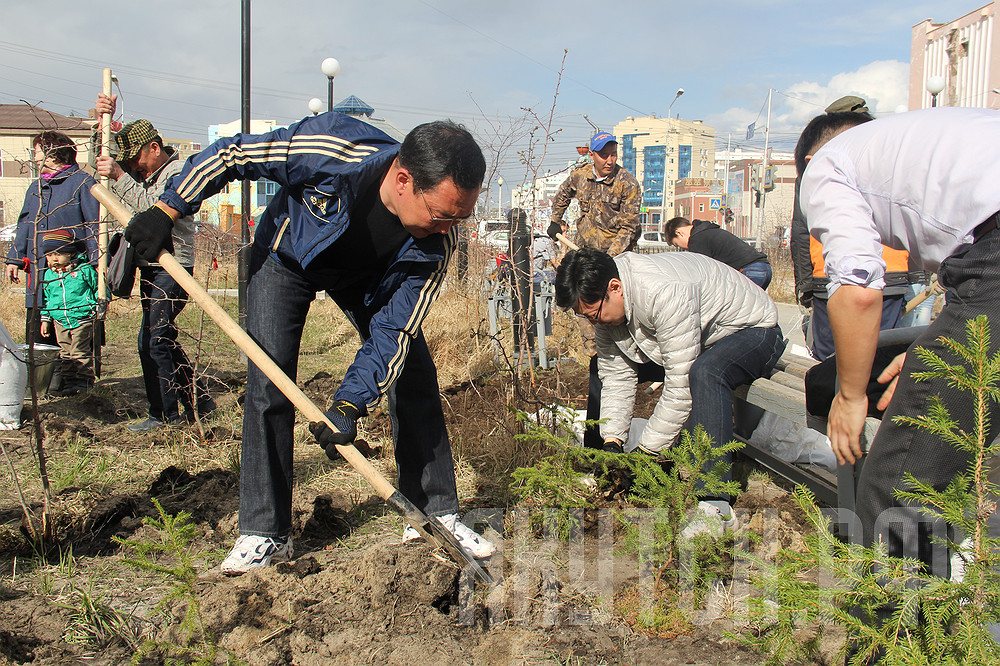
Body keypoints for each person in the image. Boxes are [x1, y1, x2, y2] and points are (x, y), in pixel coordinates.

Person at [121, 112, 495, 574]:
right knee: (268, 381)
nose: (448, 228)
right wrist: (169, 209)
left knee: (413, 370)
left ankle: (433, 515)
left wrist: (350, 405)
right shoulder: (332, 149)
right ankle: (265, 533)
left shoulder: (435, 246)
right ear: (403, 180)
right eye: (442, 215)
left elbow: (392, 332)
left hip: (368, 278)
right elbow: (233, 154)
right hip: (287, 258)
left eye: (460, 217)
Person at [796, 107, 1000, 660]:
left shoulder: (828, 166)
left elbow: (857, 286)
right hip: (983, 273)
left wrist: (850, 395)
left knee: (896, 490)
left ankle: (897, 651)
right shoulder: (948, 137)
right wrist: (935, 344)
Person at [553, 248, 785, 513]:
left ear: (615, 287)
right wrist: (612, 441)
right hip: (699, 340)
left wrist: (647, 451)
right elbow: (617, 374)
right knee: (600, 367)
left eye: (593, 315)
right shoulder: (609, 299)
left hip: (753, 331)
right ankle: (602, 467)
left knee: (707, 373)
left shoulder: (664, 291)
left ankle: (713, 500)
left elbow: (681, 381)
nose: (594, 323)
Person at [95, 94, 215, 431]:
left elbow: (153, 208)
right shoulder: (141, 171)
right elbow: (104, 166)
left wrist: (120, 175)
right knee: (160, 338)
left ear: (153, 147)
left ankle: (165, 415)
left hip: (174, 267)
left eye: (135, 160)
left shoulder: (179, 172)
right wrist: (101, 121)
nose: (133, 167)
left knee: (155, 339)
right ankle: (198, 401)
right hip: (152, 266)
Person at [546, 131, 642, 449]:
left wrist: (608, 260)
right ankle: (599, 374)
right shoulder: (580, 176)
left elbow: (630, 227)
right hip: (583, 266)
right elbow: (561, 195)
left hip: (615, 269)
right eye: (604, 154)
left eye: (613, 153)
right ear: (593, 156)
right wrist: (555, 222)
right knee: (593, 339)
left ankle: (621, 390)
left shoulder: (627, 183)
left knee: (616, 338)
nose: (610, 159)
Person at [6, 131, 99, 359]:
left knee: (76, 328)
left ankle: (79, 378)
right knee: (41, 323)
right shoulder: (35, 187)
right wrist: (14, 258)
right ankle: (48, 379)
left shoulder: (82, 183)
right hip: (39, 270)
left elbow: (94, 226)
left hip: (72, 274)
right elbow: (25, 223)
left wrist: (97, 263)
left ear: (52, 153)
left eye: (37, 151)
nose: (35, 158)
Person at [38, 229, 98, 395]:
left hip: (82, 317)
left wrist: (99, 307)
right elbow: (47, 298)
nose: (54, 259)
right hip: (60, 320)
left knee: (79, 350)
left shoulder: (84, 271)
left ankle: (85, 382)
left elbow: (99, 288)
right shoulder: (49, 275)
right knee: (65, 351)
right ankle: (69, 383)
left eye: (59, 254)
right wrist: (46, 319)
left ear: (71, 253)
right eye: (49, 255)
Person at [663, 216, 772, 289]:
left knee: (740, 312)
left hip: (749, 270)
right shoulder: (707, 231)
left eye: (677, 244)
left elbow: (702, 273)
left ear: (679, 233)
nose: (683, 248)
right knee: (755, 309)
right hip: (763, 268)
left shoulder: (697, 240)